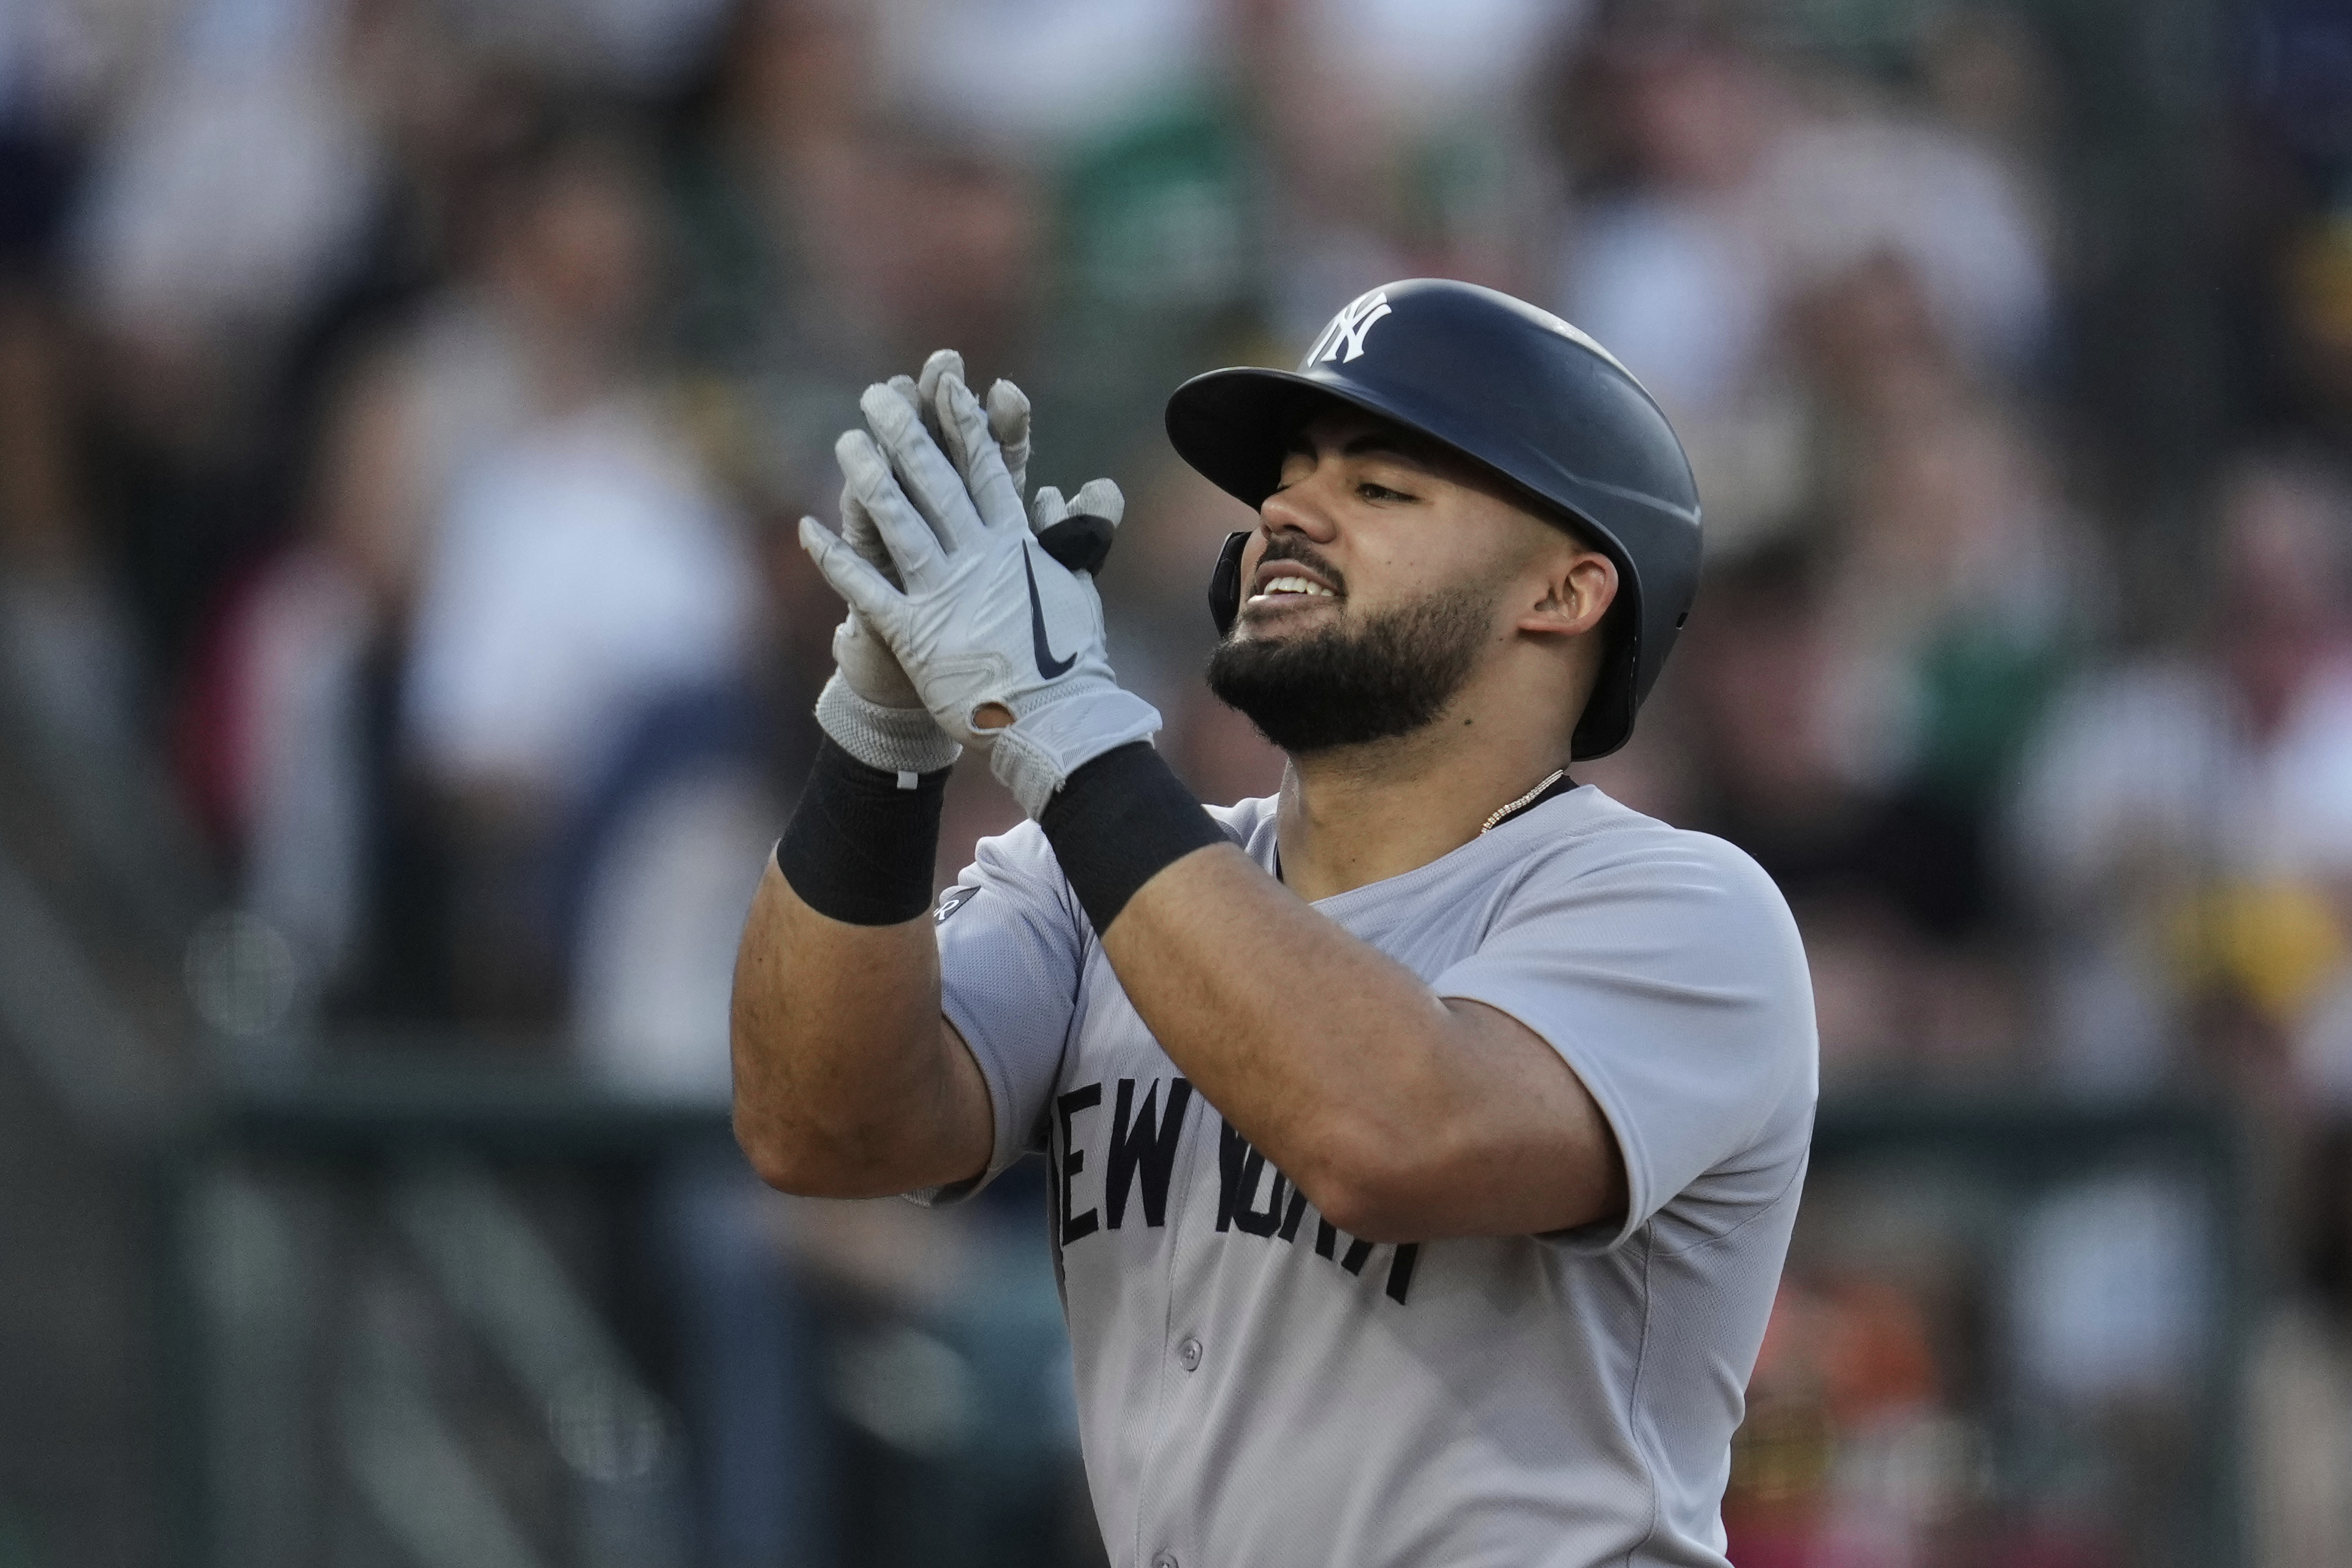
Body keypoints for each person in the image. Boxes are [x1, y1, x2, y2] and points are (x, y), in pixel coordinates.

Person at [732, 280, 1819, 1567]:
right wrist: (884, 734)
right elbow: (823, 1125)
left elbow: (1390, 1137)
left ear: (1568, 592)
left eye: (1380, 487)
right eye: (1289, 478)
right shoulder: (1093, 876)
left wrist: (1066, 729)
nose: (1288, 512)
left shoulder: (1680, 907)